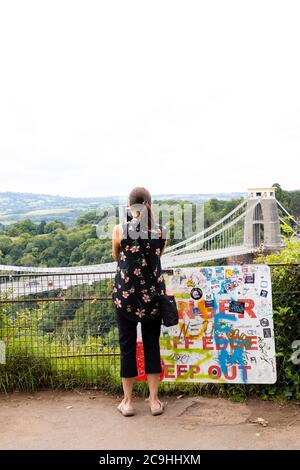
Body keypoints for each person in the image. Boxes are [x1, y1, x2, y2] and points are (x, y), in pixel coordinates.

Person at [112, 187, 167, 417]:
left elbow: (117, 256)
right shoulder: (161, 232)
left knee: (127, 347)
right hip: (152, 297)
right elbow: (157, 258)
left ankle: (128, 403)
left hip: (126, 297)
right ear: (149, 204)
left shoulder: (120, 230)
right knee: (152, 346)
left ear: (129, 205)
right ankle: (154, 402)